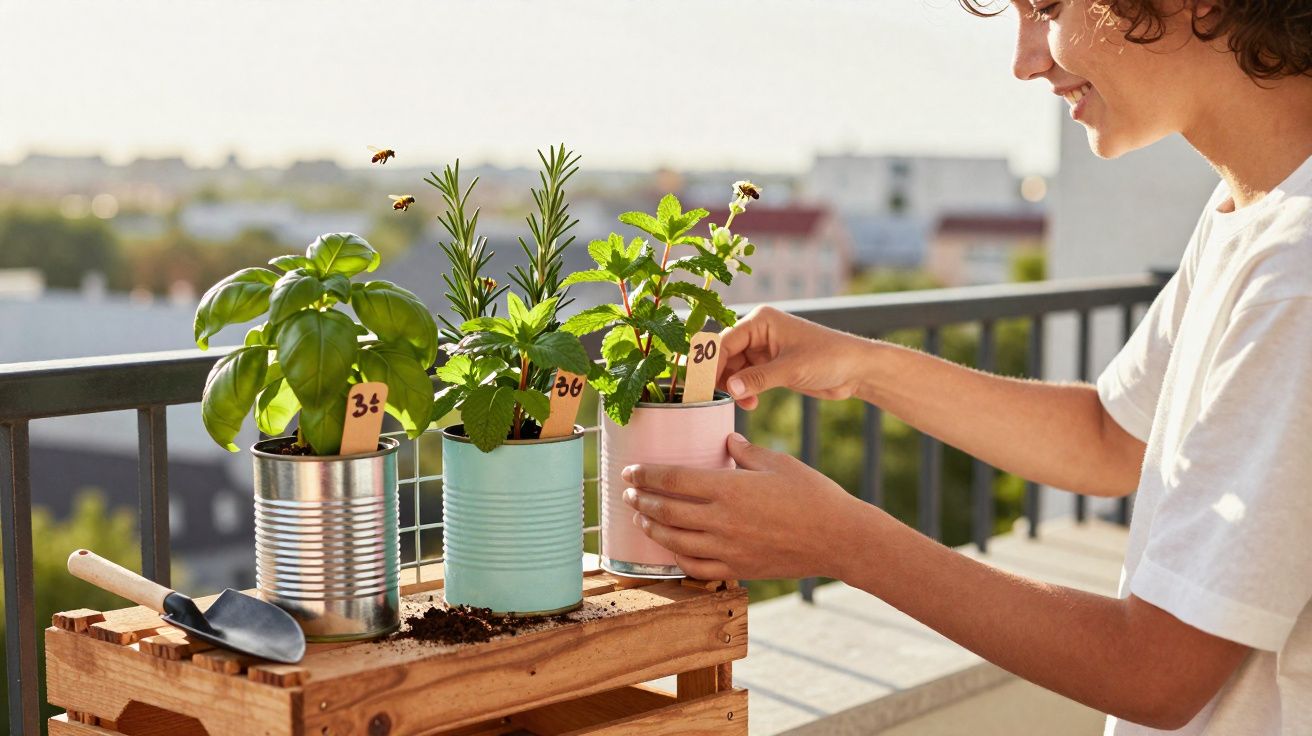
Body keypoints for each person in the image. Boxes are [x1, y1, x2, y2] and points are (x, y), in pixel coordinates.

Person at [619, 1, 1312, 732]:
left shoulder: (1297, 268)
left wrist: (841, 541)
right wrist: (862, 364)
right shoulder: (1251, 206)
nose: (1025, 60)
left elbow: (1156, 672)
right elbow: (1112, 438)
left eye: (1046, 7)